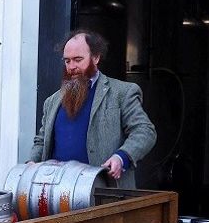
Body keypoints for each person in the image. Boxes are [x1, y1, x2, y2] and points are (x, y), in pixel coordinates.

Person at [29, 30, 156, 190]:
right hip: (57, 194)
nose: (72, 67)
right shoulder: (52, 101)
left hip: (103, 193)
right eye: (67, 61)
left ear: (96, 58)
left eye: (78, 60)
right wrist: (31, 164)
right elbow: (41, 141)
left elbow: (145, 131)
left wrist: (121, 157)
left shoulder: (122, 93)